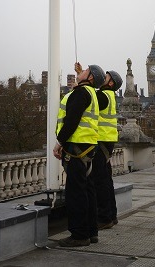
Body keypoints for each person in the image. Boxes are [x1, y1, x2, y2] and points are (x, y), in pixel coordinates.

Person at [53, 63, 106, 247]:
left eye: (85, 71)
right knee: (88, 191)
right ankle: (91, 232)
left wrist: (59, 142)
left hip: (76, 147)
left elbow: (72, 120)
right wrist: (80, 75)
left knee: (75, 193)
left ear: (90, 78)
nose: (80, 72)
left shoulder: (81, 93)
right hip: (89, 146)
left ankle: (79, 235)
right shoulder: (90, 93)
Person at [92, 69, 123, 229]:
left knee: (100, 181)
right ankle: (112, 215)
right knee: (106, 180)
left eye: (106, 77)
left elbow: (89, 96)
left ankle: (104, 218)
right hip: (108, 141)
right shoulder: (110, 96)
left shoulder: (102, 96)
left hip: (101, 140)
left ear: (111, 83)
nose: (103, 77)